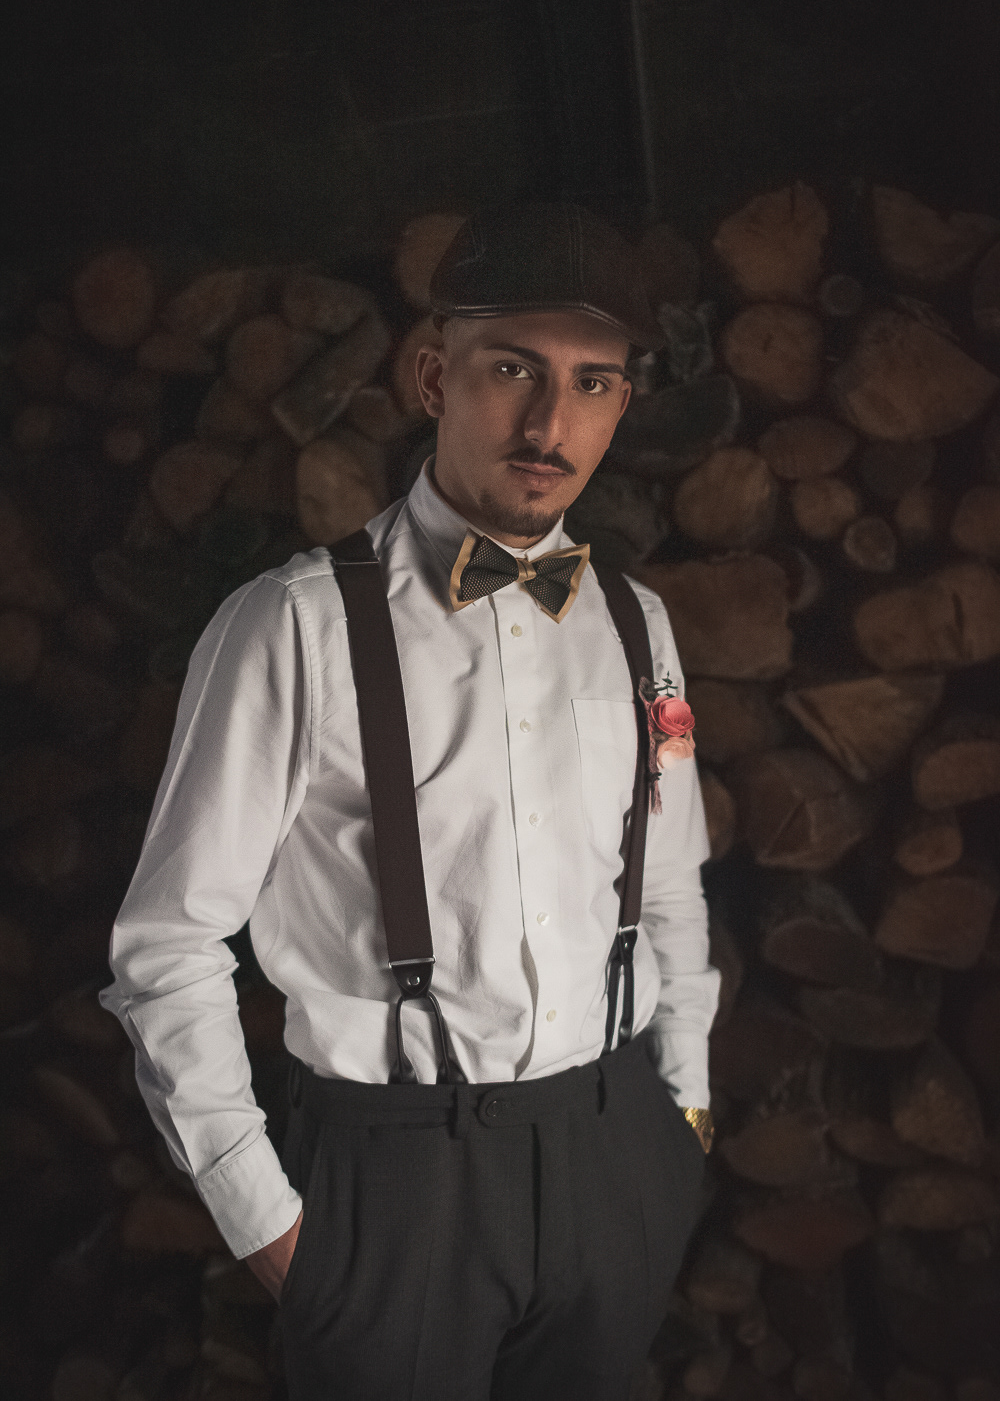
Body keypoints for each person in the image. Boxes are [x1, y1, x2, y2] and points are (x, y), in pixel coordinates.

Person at [101, 202, 720, 1401]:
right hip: (394, 1188)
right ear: (434, 376)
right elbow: (165, 944)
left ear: (621, 402)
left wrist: (681, 1114)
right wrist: (270, 1223)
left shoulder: (636, 623)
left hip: (615, 1157)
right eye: (513, 369)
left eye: (592, 383)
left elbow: (670, 887)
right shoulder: (293, 626)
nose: (549, 425)